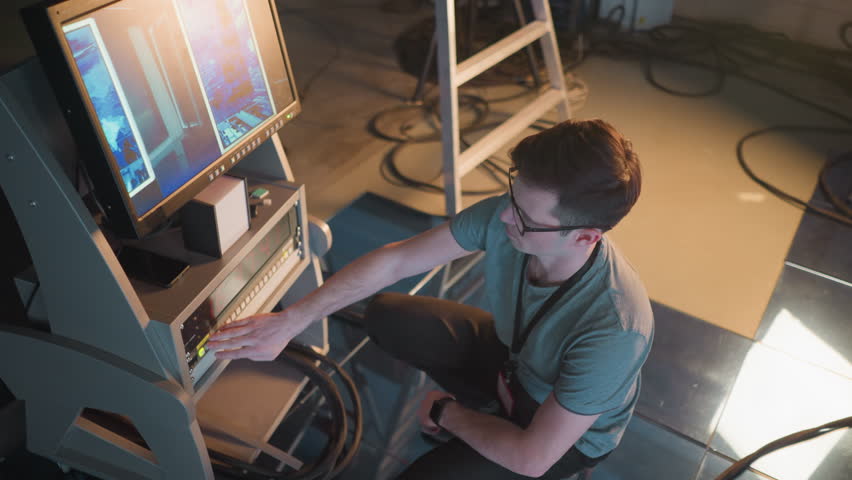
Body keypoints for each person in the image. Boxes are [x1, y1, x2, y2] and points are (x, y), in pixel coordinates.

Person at [207, 119, 654, 479]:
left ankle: (485, 421)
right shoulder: (514, 217)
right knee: (387, 316)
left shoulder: (615, 330)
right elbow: (397, 261)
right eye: (511, 196)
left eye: (524, 215)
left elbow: (532, 457)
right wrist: (290, 321)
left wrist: (446, 411)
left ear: (586, 237)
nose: (502, 216)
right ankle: (488, 411)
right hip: (513, 359)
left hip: (555, 434)